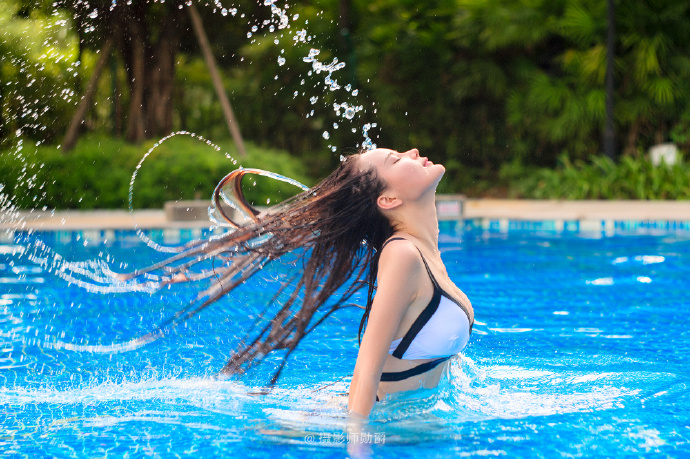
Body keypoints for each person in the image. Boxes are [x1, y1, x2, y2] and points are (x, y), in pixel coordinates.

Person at [117, 147, 474, 421]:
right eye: (397, 160)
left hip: (405, 424)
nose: (412, 152)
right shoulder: (403, 256)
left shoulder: (425, 255)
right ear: (389, 199)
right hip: (352, 424)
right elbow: (367, 368)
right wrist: (358, 446)